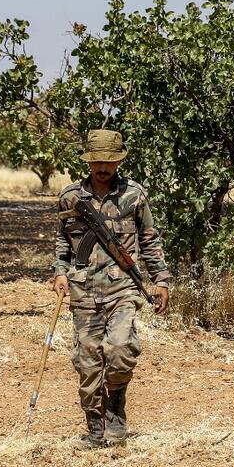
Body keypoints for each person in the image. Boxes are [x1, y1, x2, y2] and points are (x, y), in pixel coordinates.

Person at [52, 129, 171, 448]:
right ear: (89, 162)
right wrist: (60, 272)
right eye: (97, 161)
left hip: (123, 289)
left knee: (120, 349)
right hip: (83, 292)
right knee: (88, 362)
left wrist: (160, 279)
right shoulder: (70, 197)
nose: (103, 167)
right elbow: (63, 241)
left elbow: (149, 240)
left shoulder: (134, 195)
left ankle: (116, 410)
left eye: (110, 161)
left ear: (118, 161)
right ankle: (95, 428)